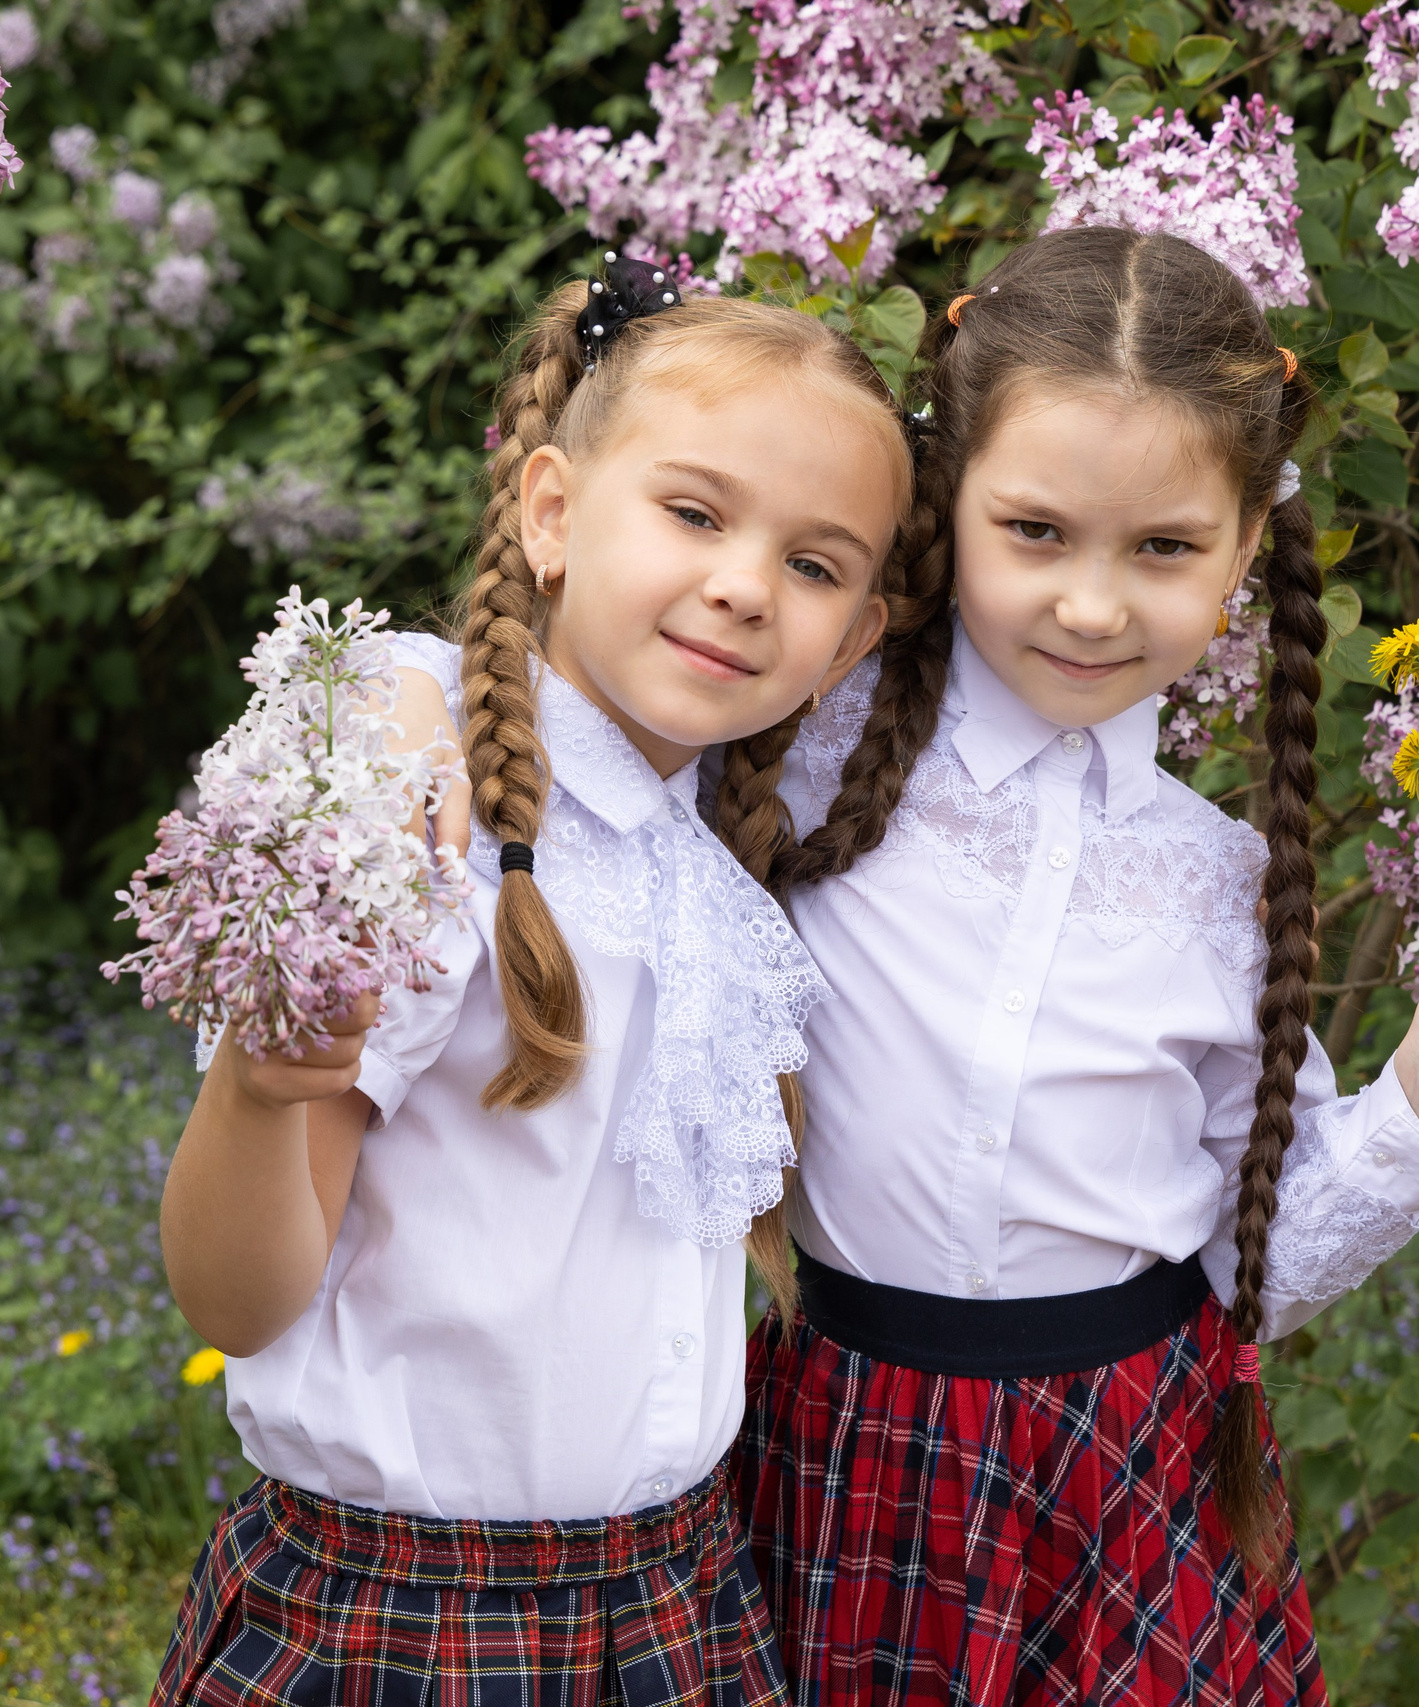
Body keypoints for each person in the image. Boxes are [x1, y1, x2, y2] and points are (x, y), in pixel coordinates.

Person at [712, 227, 1419, 1706]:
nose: (1096, 605)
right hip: (845, 1439)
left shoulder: (1218, 886)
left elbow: (1258, 1273)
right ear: (952, 500)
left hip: (1133, 1472)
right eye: (1035, 531)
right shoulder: (804, 756)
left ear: (1247, 547)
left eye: (1165, 548)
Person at [150, 256, 912, 1707]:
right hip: (401, 1622)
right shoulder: (425, 817)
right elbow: (235, 1300)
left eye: (816, 565)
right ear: (552, 511)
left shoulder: (726, 868)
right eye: (692, 513)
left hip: (679, 1604)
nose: (745, 585)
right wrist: (262, 1086)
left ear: (855, 639)